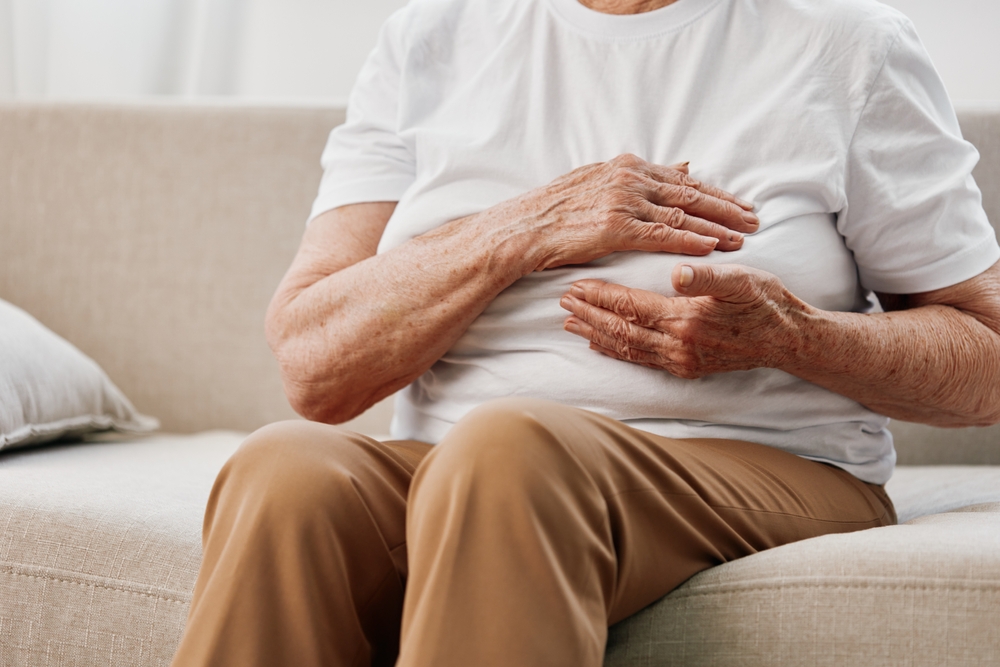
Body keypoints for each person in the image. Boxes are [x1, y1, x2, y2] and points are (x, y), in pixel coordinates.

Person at [170, 0, 1000, 665]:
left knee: (511, 449)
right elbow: (316, 368)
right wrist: (524, 227)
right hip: (464, 463)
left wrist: (793, 337)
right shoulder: (430, 40)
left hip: (762, 465)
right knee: (285, 473)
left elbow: (987, 357)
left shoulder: (845, 45)